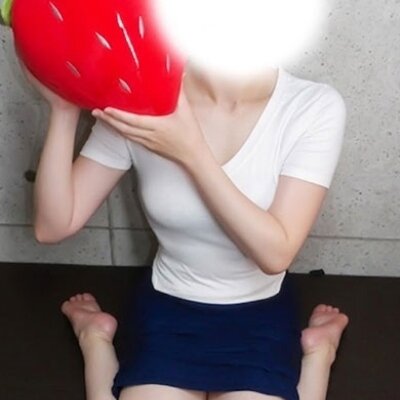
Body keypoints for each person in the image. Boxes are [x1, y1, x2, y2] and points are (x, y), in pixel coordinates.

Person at [26, 58, 349, 400]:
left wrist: (191, 152)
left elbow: (276, 254)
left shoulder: (311, 106)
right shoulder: (139, 100)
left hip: (258, 309)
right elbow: (53, 227)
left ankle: (320, 350)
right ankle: (94, 336)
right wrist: (63, 111)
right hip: (171, 304)